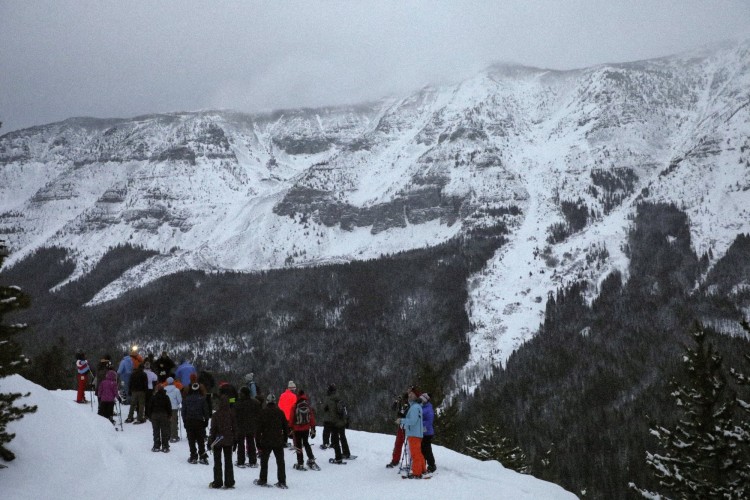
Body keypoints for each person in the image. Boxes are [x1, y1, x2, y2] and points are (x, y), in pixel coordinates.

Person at [255, 393, 289, 488]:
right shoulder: (280, 412)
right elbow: (286, 428)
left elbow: (258, 430)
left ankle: (263, 479)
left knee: (264, 462)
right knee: (280, 462)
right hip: (278, 440)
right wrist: (285, 440)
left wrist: (258, 443)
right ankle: (282, 481)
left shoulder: (262, 412)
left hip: (266, 440)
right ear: (275, 402)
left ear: (267, 402)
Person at [208, 395, 237, 489]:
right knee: (228, 461)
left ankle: (218, 481)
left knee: (217, 462)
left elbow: (213, 430)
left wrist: (210, 441)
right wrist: (235, 440)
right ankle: (229, 481)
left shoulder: (216, 414)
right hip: (228, 440)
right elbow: (235, 428)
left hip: (218, 440)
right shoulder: (231, 414)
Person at [397, 390, 426, 479]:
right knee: (418, 453)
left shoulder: (414, 407)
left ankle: (417, 473)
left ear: (416, 396)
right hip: (416, 433)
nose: (409, 395)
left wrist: (401, 420)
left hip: (414, 433)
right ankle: (422, 469)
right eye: (409, 394)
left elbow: (413, 421)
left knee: (415, 454)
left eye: (412, 394)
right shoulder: (416, 406)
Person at [289, 389, 318, 470]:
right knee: (306, 443)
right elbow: (312, 418)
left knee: (298, 446)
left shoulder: (295, 406)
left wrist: (290, 428)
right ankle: (311, 459)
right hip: (306, 428)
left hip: (297, 429)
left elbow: (291, 419)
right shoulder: (307, 406)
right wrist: (313, 429)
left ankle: (300, 463)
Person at [182, 382, 210, 465]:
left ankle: (193, 456)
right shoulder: (202, 399)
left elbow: (184, 411)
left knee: (191, 440)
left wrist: (184, 421)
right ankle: (202, 456)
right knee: (200, 440)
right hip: (199, 421)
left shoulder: (186, 399)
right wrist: (206, 420)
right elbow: (205, 410)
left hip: (189, 421)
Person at [324, 383, 353, 463]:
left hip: (335, 423)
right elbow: (345, 409)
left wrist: (331, 423)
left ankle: (338, 457)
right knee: (343, 437)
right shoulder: (339, 397)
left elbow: (329, 412)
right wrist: (346, 420)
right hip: (342, 422)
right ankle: (346, 453)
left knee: (335, 440)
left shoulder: (329, 400)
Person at [235, 386, 260, 468]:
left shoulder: (238, 403)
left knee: (241, 444)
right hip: (251, 426)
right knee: (251, 443)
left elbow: (235, 415)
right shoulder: (255, 402)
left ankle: (240, 461)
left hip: (241, 426)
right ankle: (253, 461)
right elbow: (258, 414)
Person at [386, 391, 410, 468]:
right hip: (401, 425)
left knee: (409, 446)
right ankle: (395, 460)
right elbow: (393, 408)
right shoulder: (401, 403)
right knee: (398, 443)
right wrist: (397, 402)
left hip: (408, 425)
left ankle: (411, 463)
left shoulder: (411, 405)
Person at [148, 385, 172, 453]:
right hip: (164, 415)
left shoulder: (153, 397)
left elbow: (149, 407)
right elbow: (169, 407)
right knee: (164, 431)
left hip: (155, 415)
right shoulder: (166, 397)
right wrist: (169, 415)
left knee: (156, 431)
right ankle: (165, 446)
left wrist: (150, 416)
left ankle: (156, 446)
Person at [278, 381, 297, 448]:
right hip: (291, 416)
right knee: (293, 430)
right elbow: (295, 406)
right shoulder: (294, 396)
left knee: (284, 430)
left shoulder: (282, 395)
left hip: (283, 416)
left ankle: (284, 442)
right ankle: (296, 443)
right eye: (294, 389)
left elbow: (279, 405)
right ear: (292, 389)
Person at [420, 393, 436, 473]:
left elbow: (429, 422)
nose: (421, 400)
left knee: (427, 449)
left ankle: (432, 465)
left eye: (422, 399)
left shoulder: (428, 409)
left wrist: (419, 424)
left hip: (427, 432)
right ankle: (424, 464)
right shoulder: (423, 406)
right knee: (423, 449)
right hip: (423, 432)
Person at [164, 377, 183, 442]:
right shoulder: (176, 390)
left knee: (167, 422)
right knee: (174, 422)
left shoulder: (164, 389)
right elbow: (180, 400)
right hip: (174, 408)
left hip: (166, 408)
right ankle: (174, 436)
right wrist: (177, 403)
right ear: (173, 382)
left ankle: (167, 435)